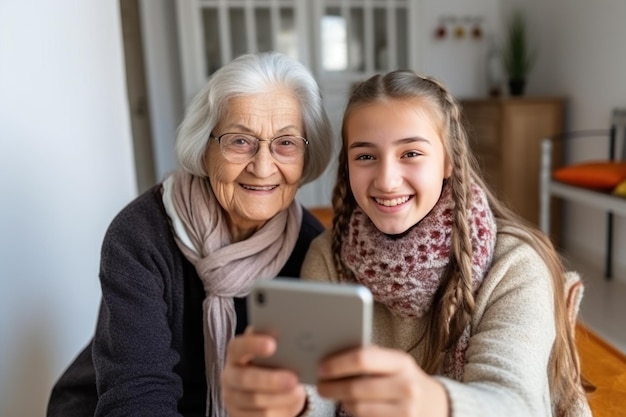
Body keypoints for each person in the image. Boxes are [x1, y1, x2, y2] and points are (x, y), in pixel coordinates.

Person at [221, 70, 592, 417]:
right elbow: (318, 389)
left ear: (448, 161)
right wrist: (292, 401)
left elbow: (517, 401)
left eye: (410, 153)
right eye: (365, 156)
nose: (386, 179)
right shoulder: (328, 256)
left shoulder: (514, 266)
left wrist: (434, 402)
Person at [46, 51, 334, 417]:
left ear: (306, 157)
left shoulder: (311, 247)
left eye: (286, 143)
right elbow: (138, 397)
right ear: (205, 147)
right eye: (240, 141)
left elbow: (306, 393)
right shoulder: (141, 235)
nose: (263, 167)